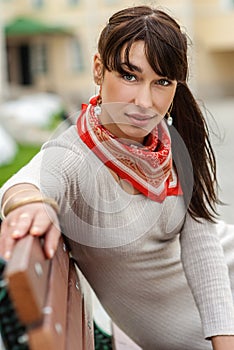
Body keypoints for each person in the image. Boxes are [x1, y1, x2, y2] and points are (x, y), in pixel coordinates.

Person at [0, 5, 234, 350]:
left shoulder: (170, 139)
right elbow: (26, 183)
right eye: (129, 76)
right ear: (98, 69)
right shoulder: (76, 154)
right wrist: (31, 203)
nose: (144, 101)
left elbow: (205, 251)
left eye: (162, 82)